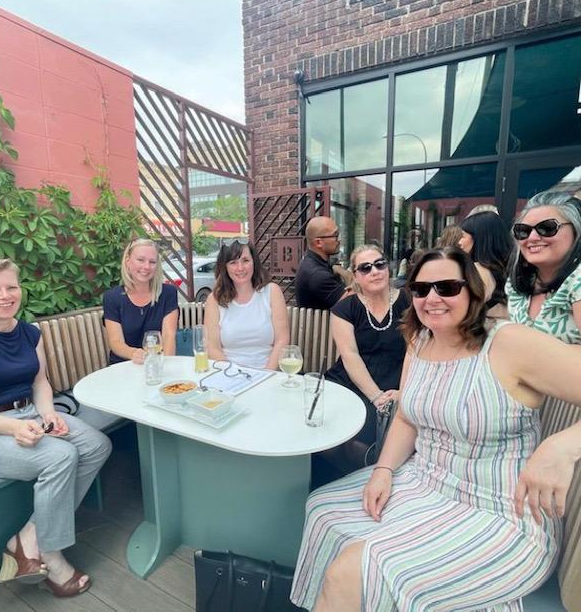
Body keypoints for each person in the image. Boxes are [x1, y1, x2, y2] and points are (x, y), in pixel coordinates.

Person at [290, 247, 581, 612]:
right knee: (321, 508)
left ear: (473, 292)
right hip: (425, 481)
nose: (433, 298)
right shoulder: (420, 339)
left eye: (447, 287)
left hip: (500, 512)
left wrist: (565, 446)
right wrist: (383, 470)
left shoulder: (507, 342)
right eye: (421, 289)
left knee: (356, 570)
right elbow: (407, 417)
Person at [0, 257, 112, 598]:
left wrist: (49, 414)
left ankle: (29, 537)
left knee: (96, 446)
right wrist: (10, 428)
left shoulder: (29, 332)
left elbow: (40, 382)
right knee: (60, 457)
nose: (5, 295)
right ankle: (51, 553)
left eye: (11, 286)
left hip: (27, 416)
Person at [506, 190, 581, 598]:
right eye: (523, 229)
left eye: (547, 227)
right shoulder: (521, 286)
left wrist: (567, 444)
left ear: (575, 232)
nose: (532, 236)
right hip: (527, 415)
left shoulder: (579, 281)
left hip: (568, 416)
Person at [323, 244, 409, 472]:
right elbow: (350, 356)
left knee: (367, 439)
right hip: (351, 382)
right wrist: (376, 397)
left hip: (394, 384)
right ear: (356, 276)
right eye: (365, 268)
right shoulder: (345, 309)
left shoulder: (408, 303)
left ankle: (373, 476)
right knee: (329, 431)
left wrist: (405, 390)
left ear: (388, 268)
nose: (375, 271)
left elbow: (417, 350)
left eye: (380, 264)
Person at [204, 239, 289, 369]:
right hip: (228, 373)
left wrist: (266, 374)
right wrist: (234, 374)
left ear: (254, 262)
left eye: (245, 260)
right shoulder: (214, 299)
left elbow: (282, 340)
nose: (240, 268)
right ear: (225, 267)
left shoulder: (272, 291)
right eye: (233, 262)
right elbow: (212, 347)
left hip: (268, 372)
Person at [103, 238, 178, 364]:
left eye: (152, 262)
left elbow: (168, 335)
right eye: (141, 260)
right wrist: (133, 353)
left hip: (157, 362)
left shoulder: (168, 293)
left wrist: (168, 364)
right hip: (124, 366)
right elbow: (116, 342)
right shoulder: (112, 297)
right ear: (128, 261)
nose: (146, 267)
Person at [458, 210, 512, 318]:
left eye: (462, 236)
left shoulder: (476, 271)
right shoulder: (513, 269)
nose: (458, 241)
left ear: (479, 237)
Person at [295, 216, 353, 309]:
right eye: (335, 235)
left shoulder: (312, 260)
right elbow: (353, 306)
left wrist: (337, 269)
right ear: (319, 242)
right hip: (323, 323)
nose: (339, 240)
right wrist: (351, 276)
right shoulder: (317, 275)